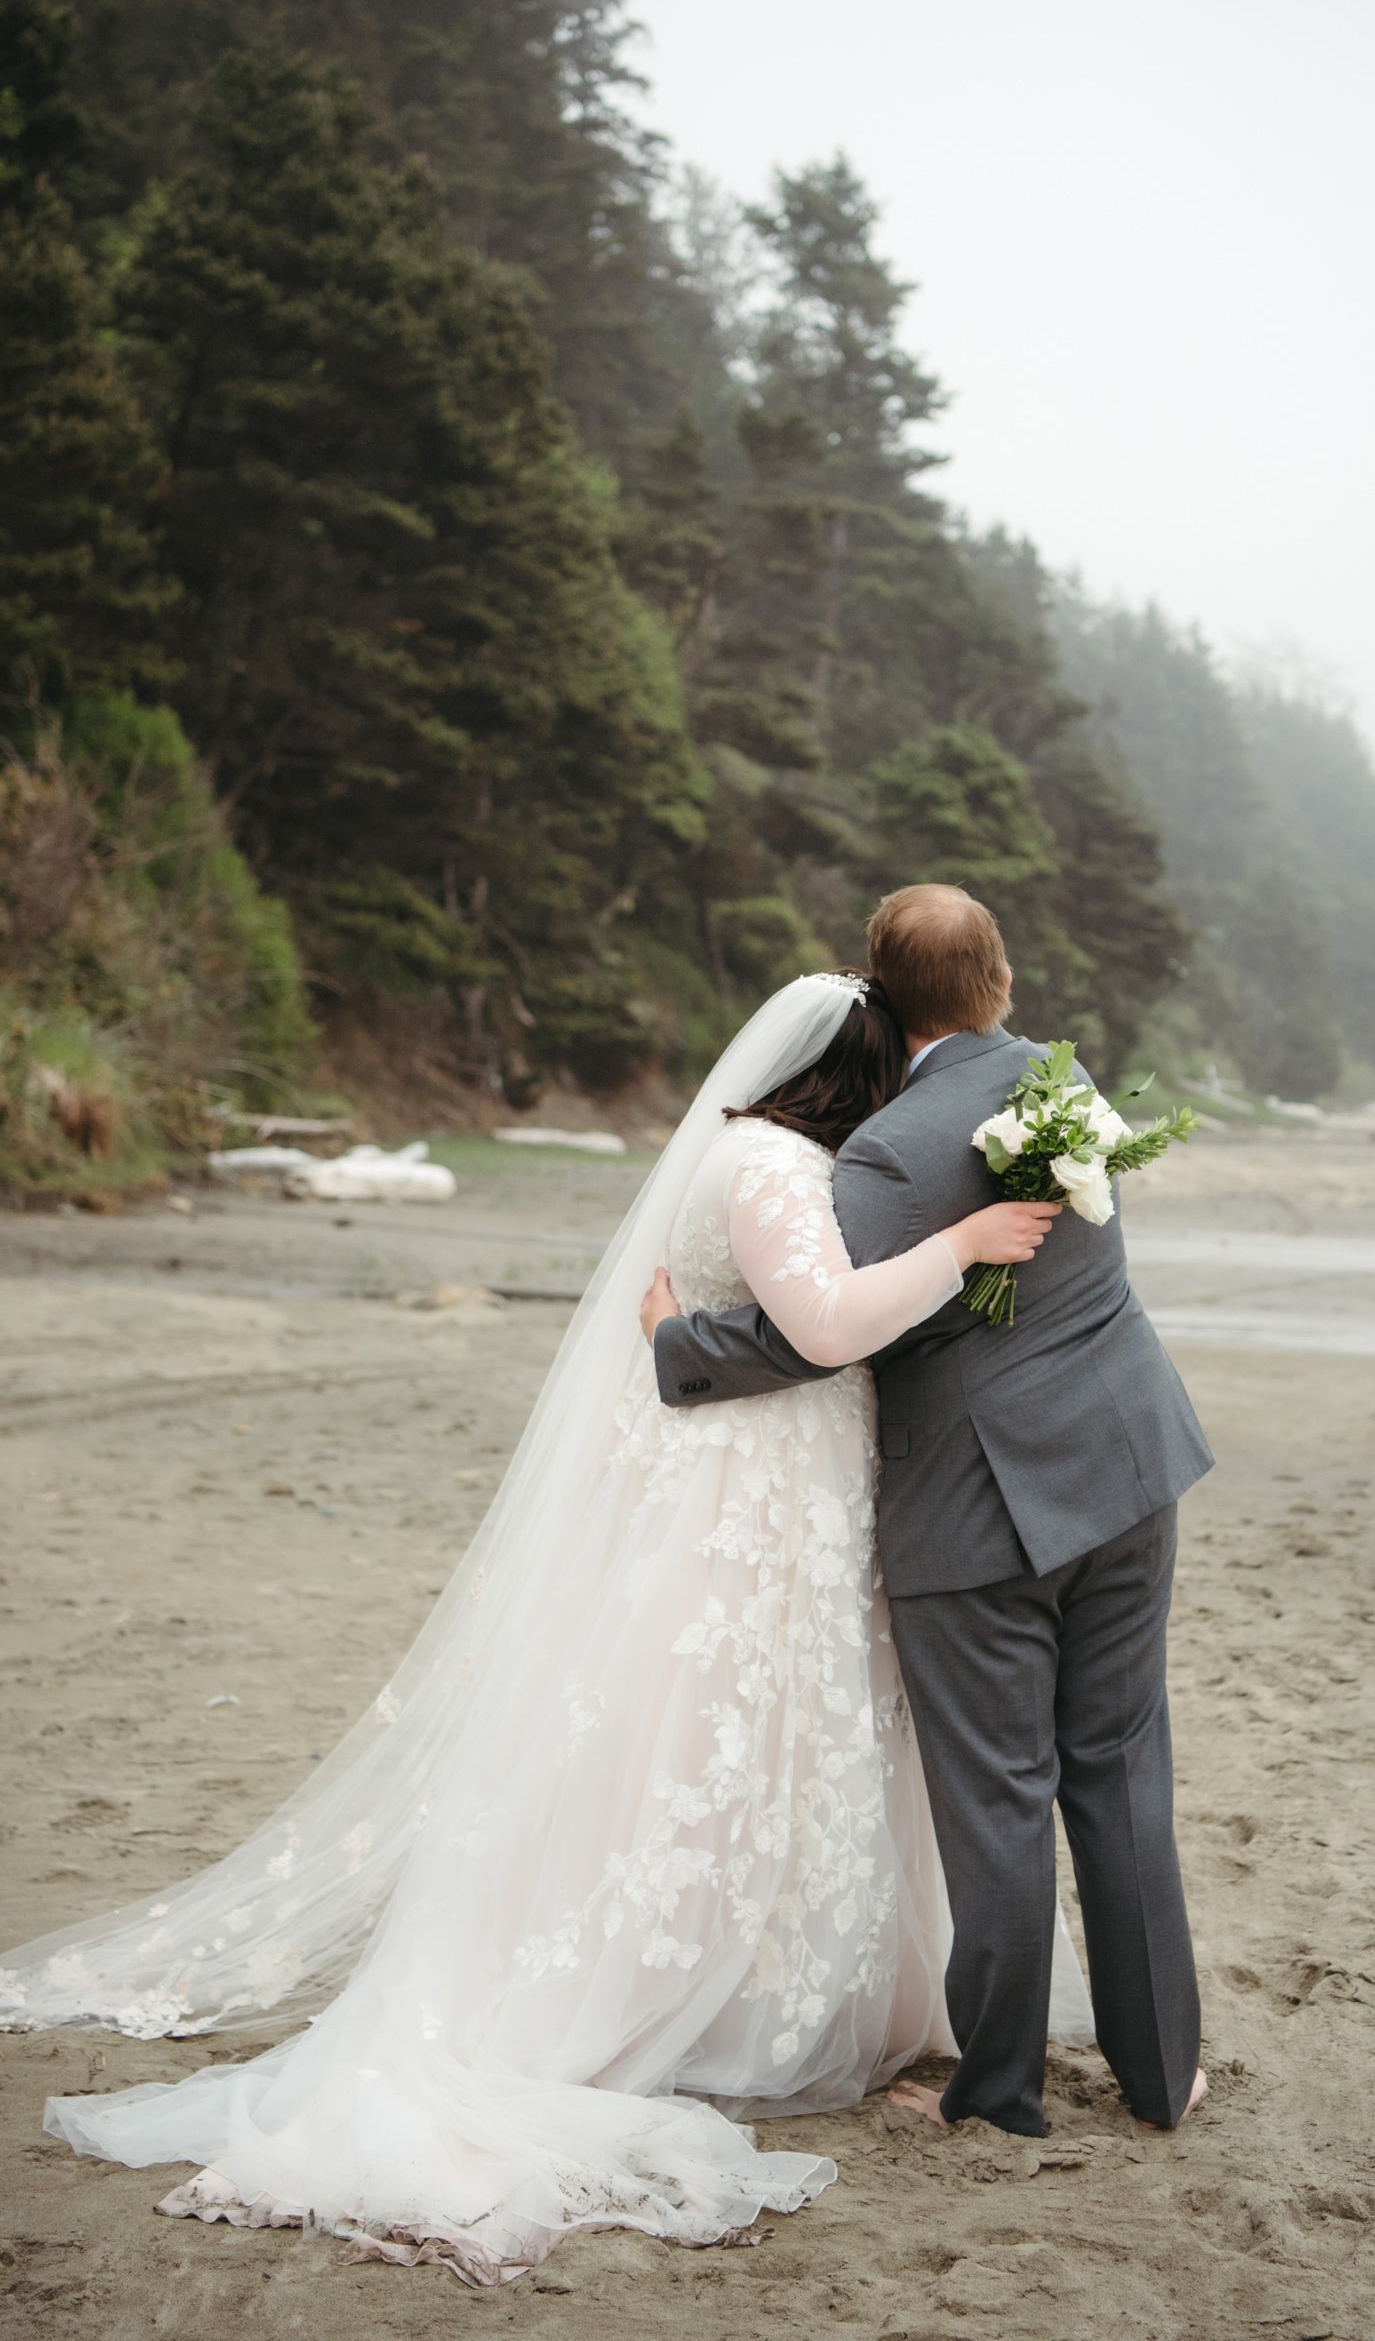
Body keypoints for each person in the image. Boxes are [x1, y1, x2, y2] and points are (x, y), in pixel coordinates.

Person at [0, 969, 1084, 2284]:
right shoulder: (781, 1168)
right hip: (755, 1481)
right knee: (721, 1731)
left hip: (740, 1468)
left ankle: (756, 1978)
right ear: (854, 1079)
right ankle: (708, 1999)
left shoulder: (732, 1148)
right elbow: (827, 1323)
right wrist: (961, 1249)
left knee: (716, 1726)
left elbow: (712, 1317)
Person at [649, 884, 1214, 2142]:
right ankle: (1161, 2070)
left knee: (1000, 1792)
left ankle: (1001, 2093)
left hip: (980, 1505)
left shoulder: (893, 1149)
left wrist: (680, 1342)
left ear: (880, 993)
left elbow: (825, 1331)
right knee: (1120, 1772)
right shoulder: (1074, 1097)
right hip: (1126, 1468)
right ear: (1002, 980)